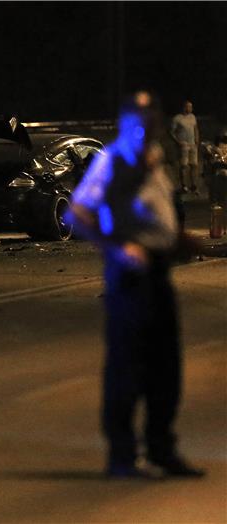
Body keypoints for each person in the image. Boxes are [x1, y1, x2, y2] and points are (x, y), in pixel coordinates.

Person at [67, 91, 205, 479]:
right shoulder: (114, 161)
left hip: (158, 271)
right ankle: (123, 456)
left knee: (165, 366)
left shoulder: (153, 159)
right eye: (141, 119)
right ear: (126, 123)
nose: (148, 125)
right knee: (128, 366)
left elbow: (152, 218)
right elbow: (77, 214)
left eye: (152, 118)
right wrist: (117, 249)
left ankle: (161, 448)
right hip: (130, 275)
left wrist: (177, 242)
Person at [170, 100, 200, 194]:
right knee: (184, 166)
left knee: (194, 165)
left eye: (191, 107)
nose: (190, 108)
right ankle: (184, 186)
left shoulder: (193, 117)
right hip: (184, 145)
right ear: (184, 107)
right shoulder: (177, 118)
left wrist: (197, 139)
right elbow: (171, 132)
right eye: (188, 106)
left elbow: (196, 128)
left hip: (193, 145)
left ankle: (194, 185)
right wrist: (178, 142)